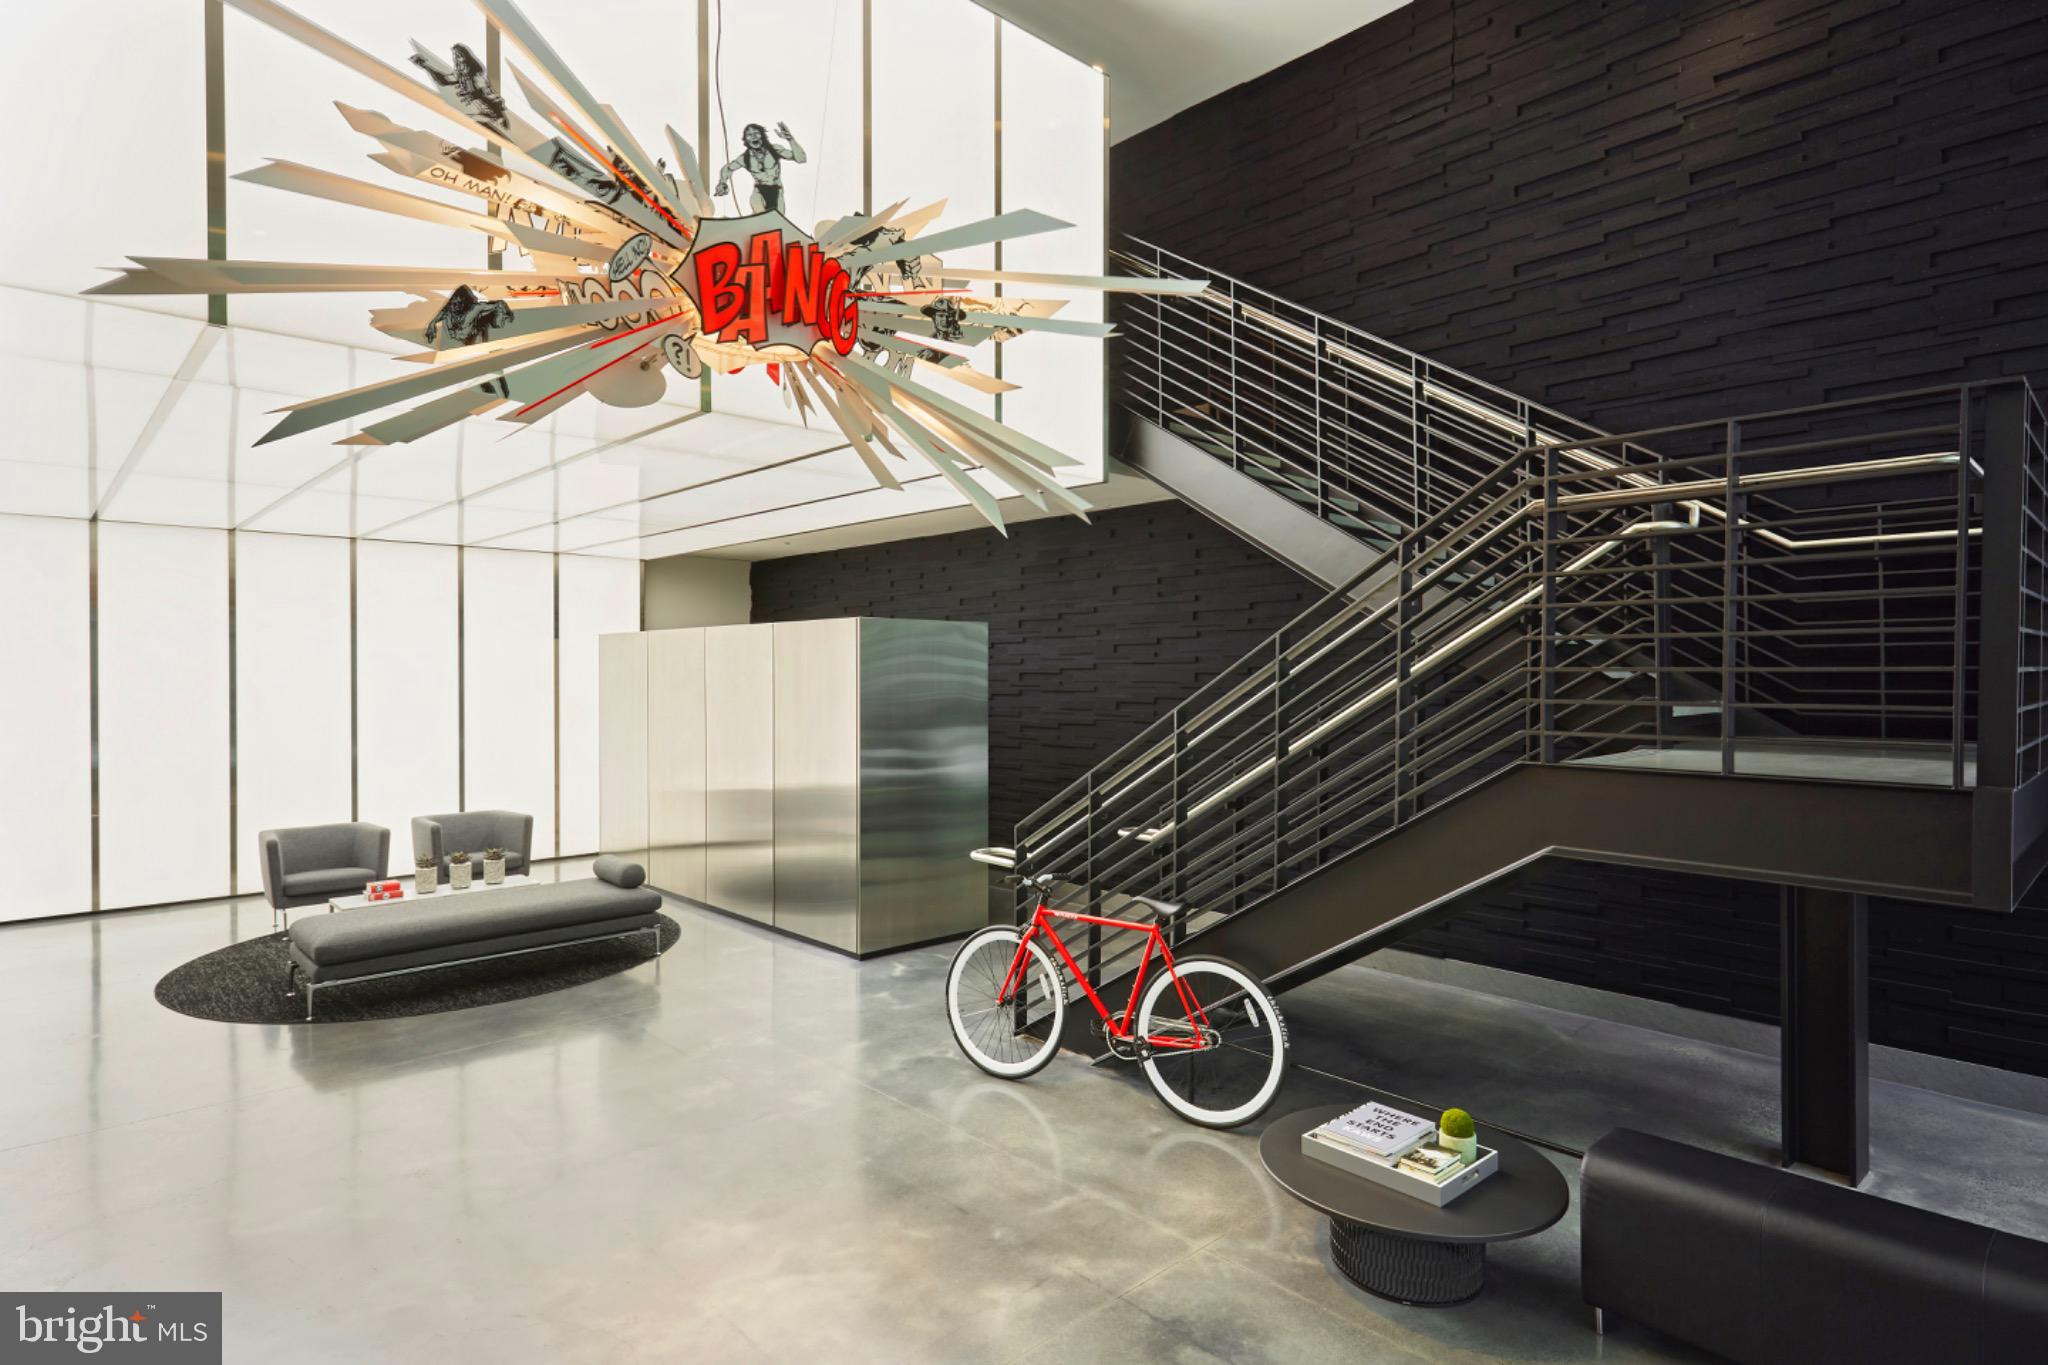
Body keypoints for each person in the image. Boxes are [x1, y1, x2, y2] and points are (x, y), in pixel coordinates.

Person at [713, 122, 806, 213]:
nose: (753, 136)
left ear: (762, 135)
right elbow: (727, 168)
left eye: (756, 133)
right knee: (759, 210)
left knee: (778, 221)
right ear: (746, 140)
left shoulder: (774, 150)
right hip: (759, 191)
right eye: (749, 134)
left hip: (777, 191)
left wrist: (790, 139)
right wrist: (722, 182)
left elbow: (801, 159)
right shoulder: (745, 158)